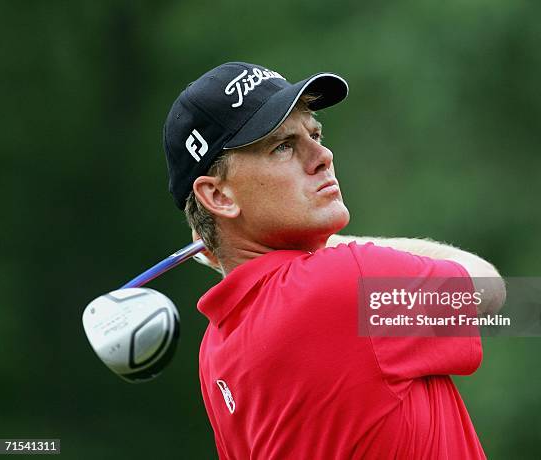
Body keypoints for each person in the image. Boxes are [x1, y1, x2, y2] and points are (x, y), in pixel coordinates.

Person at [162, 61, 505, 459]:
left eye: (315, 133)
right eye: (283, 146)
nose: (322, 155)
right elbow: (485, 287)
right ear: (219, 196)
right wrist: (337, 244)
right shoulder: (341, 283)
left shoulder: (217, 353)